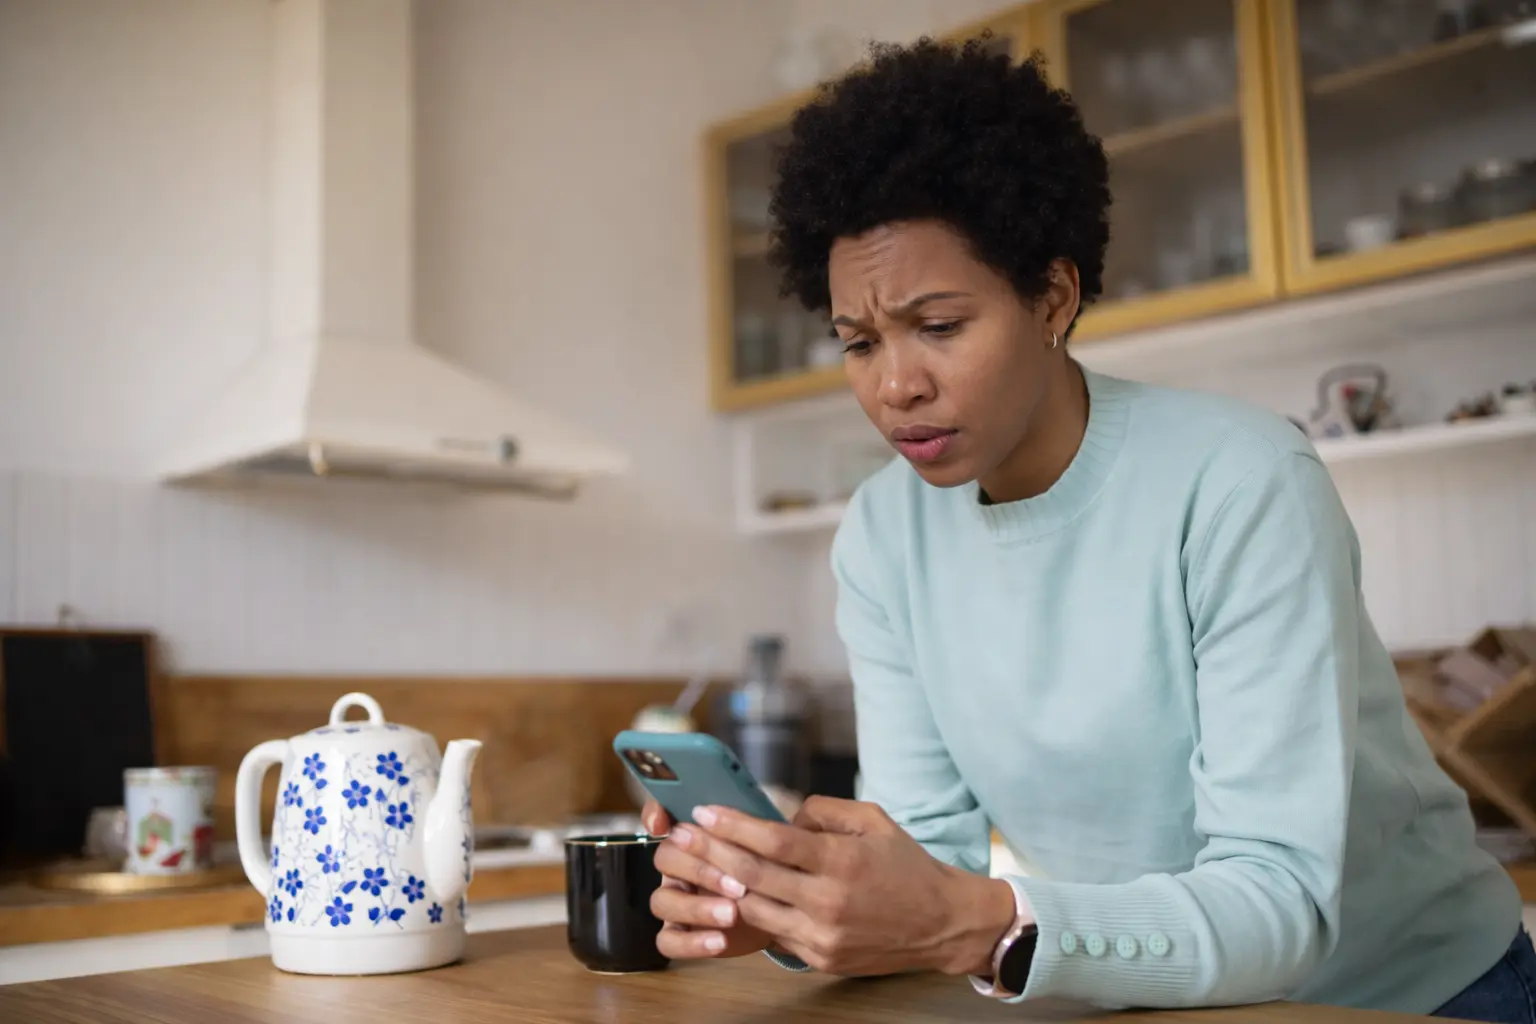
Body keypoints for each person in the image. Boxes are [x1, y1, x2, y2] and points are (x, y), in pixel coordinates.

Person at [642, 35, 1530, 1021]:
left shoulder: (1238, 481)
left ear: (1053, 296)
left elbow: (1281, 901)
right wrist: (797, 912)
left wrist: (973, 924)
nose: (896, 384)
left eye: (939, 325)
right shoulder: (884, 536)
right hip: (1156, 1002)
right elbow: (928, 863)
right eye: (860, 341)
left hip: (1408, 995)